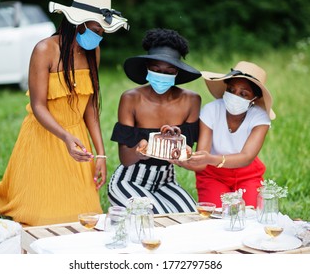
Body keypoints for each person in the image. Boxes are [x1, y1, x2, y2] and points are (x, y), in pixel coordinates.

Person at [0, 0, 129, 226]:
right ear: (78, 22)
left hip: (77, 141)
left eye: (103, 32)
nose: (99, 36)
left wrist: (101, 154)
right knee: (41, 218)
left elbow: (90, 108)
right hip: (46, 136)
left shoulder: (92, 52)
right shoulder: (45, 49)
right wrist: (65, 136)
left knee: (86, 217)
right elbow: (38, 106)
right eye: (96, 29)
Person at [108, 28, 202, 214]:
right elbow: (125, 159)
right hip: (129, 179)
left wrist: (179, 148)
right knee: (157, 218)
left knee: (190, 218)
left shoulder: (191, 100)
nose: (162, 75)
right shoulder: (131, 98)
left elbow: (186, 154)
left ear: (178, 72)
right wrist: (143, 149)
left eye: (169, 71)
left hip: (166, 180)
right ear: (147, 69)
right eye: (156, 70)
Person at [173, 61, 276, 207]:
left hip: (247, 174)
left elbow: (246, 157)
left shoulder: (259, 117)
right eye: (231, 90)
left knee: (251, 216)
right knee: (215, 215)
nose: (235, 96)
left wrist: (209, 158)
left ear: (254, 99)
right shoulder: (211, 110)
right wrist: (183, 161)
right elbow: (202, 159)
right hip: (212, 174)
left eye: (243, 94)